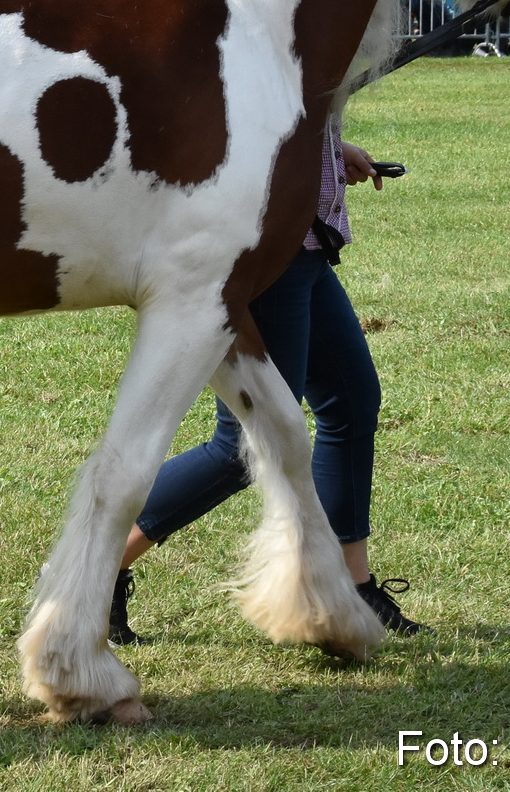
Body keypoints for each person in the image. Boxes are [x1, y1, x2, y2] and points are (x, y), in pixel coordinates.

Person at [110, 133, 424, 645]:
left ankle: (348, 585)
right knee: (244, 444)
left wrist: (330, 147)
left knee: (351, 402)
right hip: (262, 247)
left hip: (305, 244)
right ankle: (99, 565)